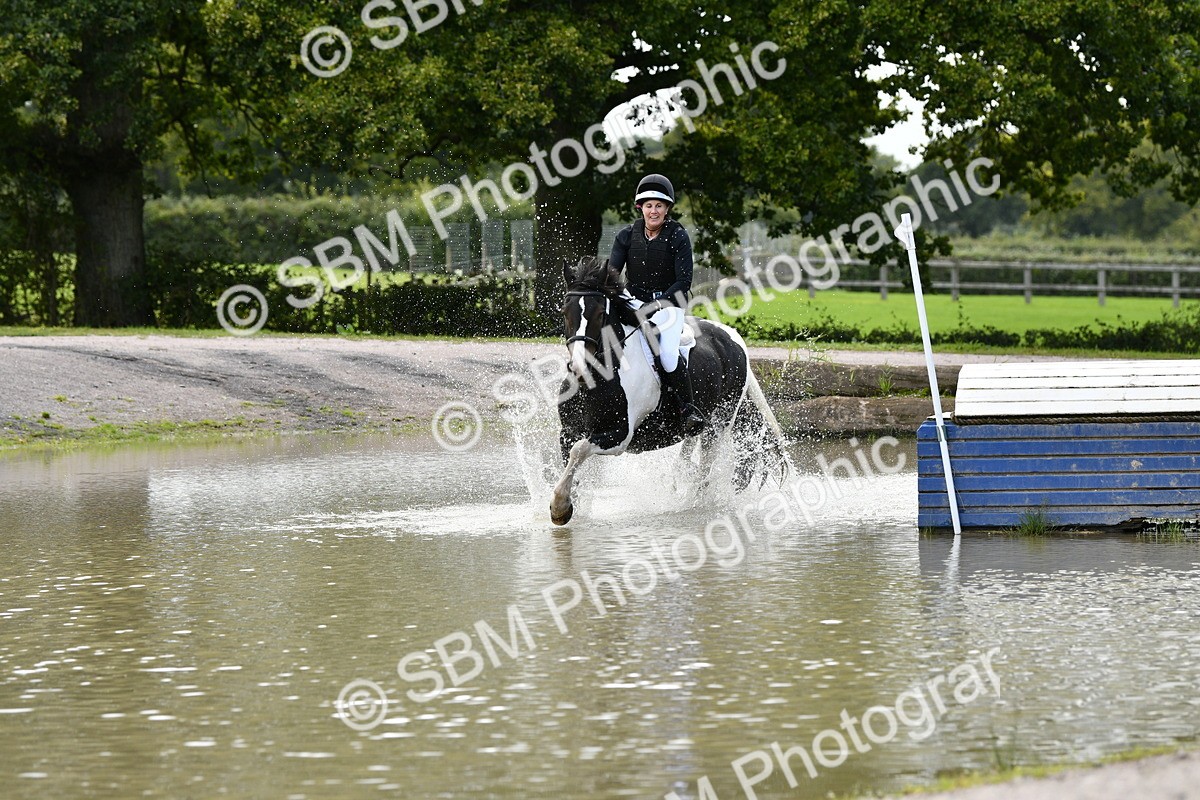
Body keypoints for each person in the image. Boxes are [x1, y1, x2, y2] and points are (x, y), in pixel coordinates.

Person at [608, 173, 706, 435]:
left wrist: (654, 306)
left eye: (659, 206)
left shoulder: (677, 236)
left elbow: (684, 281)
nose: (654, 211)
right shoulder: (626, 236)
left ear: (667, 209)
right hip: (633, 301)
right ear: (640, 207)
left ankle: (687, 409)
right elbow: (613, 275)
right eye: (649, 205)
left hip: (669, 305)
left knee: (669, 357)